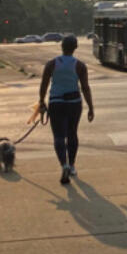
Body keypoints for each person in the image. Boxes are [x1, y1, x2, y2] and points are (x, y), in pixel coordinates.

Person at [38, 34, 94, 185]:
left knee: (58, 136)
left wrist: (41, 101)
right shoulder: (80, 65)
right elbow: (85, 88)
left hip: (56, 102)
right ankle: (72, 165)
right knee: (72, 134)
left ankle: (64, 164)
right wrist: (90, 107)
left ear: (61, 47)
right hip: (74, 102)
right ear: (75, 48)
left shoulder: (51, 64)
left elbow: (43, 85)